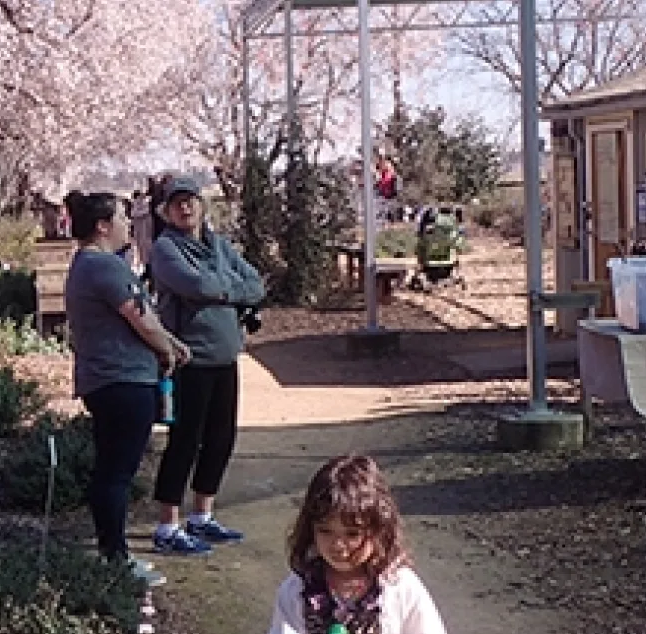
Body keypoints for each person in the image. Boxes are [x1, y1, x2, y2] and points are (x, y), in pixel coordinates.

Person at [62, 190, 190, 586]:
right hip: (121, 381)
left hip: (107, 380)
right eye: (121, 218)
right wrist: (169, 348)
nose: (127, 226)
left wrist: (171, 341)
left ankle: (111, 553)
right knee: (116, 474)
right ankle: (116, 559)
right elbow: (143, 322)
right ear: (102, 226)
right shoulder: (105, 268)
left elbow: (143, 318)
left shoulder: (87, 266)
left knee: (111, 470)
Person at [145, 179, 264, 555]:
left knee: (220, 439)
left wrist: (221, 288)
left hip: (226, 358)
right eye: (177, 203)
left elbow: (255, 284)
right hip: (189, 361)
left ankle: (202, 516)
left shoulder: (218, 245)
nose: (186, 209)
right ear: (166, 211)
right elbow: (192, 284)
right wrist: (228, 288)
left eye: (191, 201)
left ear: (202, 205)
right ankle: (168, 525)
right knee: (184, 442)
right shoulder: (165, 249)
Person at [267, 455, 447, 634]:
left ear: (380, 529)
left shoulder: (399, 586)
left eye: (352, 533)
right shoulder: (297, 590)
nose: (337, 545)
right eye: (325, 531)